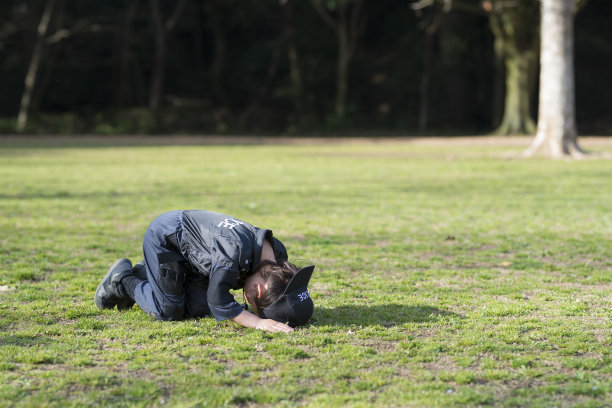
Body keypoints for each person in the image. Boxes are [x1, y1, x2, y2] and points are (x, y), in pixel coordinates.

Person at [94, 210, 314, 333]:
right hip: (167, 239)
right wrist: (258, 322)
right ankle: (122, 280)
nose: (248, 302)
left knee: (198, 307)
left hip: (198, 257)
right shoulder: (234, 254)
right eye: (255, 305)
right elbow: (218, 299)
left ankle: (150, 274)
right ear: (255, 291)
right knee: (169, 309)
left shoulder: (276, 254)